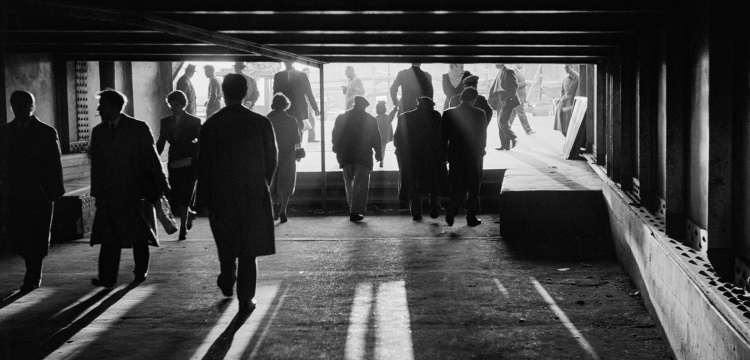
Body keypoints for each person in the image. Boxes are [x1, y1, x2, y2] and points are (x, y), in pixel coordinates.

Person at [195, 74, 277, 311]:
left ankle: (227, 276)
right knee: (249, 249)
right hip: (252, 193)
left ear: (222, 92)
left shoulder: (211, 124)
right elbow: (271, 159)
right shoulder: (261, 123)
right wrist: (264, 185)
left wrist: (204, 199)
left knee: (226, 242)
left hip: (220, 195)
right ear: (246, 93)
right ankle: (245, 297)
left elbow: (203, 165)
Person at [89, 89, 169, 287]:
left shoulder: (138, 128)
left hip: (133, 192)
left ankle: (140, 271)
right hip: (108, 193)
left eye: (103, 105)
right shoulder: (98, 132)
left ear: (115, 107)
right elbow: (96, 166)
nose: (99, 109)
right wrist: (96, 193)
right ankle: (107, 277)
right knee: (109, 236)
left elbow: (152, 159)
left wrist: (162, 186)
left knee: (139, 234)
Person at [0, 91, 64, 292]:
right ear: (12, 107)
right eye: (16, 105)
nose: (20, 109)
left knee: (36, 235)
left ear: (32, 106)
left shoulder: (46, 132)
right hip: (14, 192)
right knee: (19, 234)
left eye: (25, 105)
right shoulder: (4, 132)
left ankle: (33, 275)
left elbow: (55, 164)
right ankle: (32, 271)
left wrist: (53, 192)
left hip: (39, 192)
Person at [156, 90, 201, 240]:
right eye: (171, 105)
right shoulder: (165, 122)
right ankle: (189, 214)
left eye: (176, 105)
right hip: (174, 162)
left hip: (190, 162)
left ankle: (183, 228)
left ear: (183, 104)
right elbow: (161, 142)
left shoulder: (194, 122)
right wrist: (154, 157)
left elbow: (200, 142)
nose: (173, 108)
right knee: (177, 194)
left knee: (186, 195)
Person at [393, 96, 447, 221]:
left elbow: (397, 140)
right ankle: (434, 204)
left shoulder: (404, 117)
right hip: (431, 156)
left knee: (414, 184)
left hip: (410, 157)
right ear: (430, 106)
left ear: (417, 105)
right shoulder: (435, 116)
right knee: (433, 182)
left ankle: (416, 213)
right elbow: (441, 137)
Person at [331, 96, 382, 222]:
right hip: (363, 157)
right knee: (360, 186)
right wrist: (378, 153)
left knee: (349, 185)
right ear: (364, 106)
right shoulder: (370, 119)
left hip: (346, 156)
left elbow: (335, 135)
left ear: (354, 104)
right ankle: (355, 211)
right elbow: (376, 138)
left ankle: (352, 208)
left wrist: (337, 149)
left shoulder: (342, 117)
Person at [441, 88, 487, 227]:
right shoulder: (480, 113)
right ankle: (471, 217)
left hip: (455, 155)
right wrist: (481, 152)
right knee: (473, 187)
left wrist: (444, 156)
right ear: (474, 99)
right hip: (473, 155)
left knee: (456, 185)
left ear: (461, 98)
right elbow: (482, 136)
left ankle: (452, 210)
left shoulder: (448, 114)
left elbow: (443, 137)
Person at [267, 93, 300, 223]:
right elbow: (297, 139)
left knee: (272, 183)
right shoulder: (292, 120)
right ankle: (283, 210)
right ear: (286, 105)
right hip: (288, 154)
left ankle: (274, 204)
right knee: (287, 183)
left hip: (271, 155)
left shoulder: (267, 119)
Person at [273, 62, 320, 136]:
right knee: (285, 132)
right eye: (286, 61)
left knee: (299, 131)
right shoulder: (278, 76)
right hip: (284, 109)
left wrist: (315, 108)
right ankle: (292, 147)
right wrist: (275, 108)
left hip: (299, 109)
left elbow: (309, 93)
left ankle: (298, 146)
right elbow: (275, 94)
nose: (287, 63)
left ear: (293, 62)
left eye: (288, 61)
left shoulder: (302, 75)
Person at [488, 63, 521, 150]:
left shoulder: (509, 72)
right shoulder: (499, 72)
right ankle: (505, 145)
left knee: (502, 121)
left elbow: (515, 85)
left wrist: (510, 97)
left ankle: (513, 137)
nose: (495, 64)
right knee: (500, 123)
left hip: (506, 99)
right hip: (499, 99)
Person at [508, 64, 536, 135]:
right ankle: (528, 130)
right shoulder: (514, 72)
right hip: (517, 97)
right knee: (521, 113)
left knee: (513, 113)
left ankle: (506, 127)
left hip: (519, 97)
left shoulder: (517, 72)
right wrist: (526, 82)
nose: (522, 64)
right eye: (520, 63)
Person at [554, 64, 580, 136]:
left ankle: (569, 139)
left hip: (572, 102)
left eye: (567, 67)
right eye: (564, 68)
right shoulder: (565, 79)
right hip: (564, 101)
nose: (566, 69)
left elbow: (579, 92)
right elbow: (562, 92)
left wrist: (574, 104)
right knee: (560, 120)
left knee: (569, 122)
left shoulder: (577, 78)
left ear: (572, 67)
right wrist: (559, 100)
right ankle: (566, 137)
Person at [374, 100, 397, 168]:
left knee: (378, 148)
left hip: (377, 136)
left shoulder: (375, 118)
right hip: (385, 137)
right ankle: (381, 160)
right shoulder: (388, 117)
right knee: (383, 148)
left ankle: (379, 158)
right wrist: (396, 107)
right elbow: (393, 112)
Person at [302, 68, 319, 142]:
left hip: (307, 106)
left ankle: (311, 138)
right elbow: (309, 95)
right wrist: (315, 108)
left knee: (310, 121)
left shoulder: (304, 82)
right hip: (306, 106)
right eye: (306, 73)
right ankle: (311, 138)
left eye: (308, 73)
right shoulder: (304, 82)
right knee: (311, 121)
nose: (308, 74)